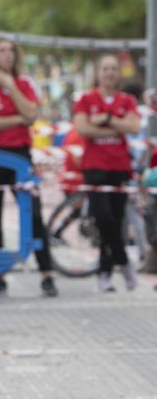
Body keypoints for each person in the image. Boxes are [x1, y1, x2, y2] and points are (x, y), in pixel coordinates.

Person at [0, 38, 58, 297]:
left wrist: (10, 86)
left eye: (11, 50)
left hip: (21, 155)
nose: (7, 55)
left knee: (33, 215)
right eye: (1, 50)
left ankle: (47, 273)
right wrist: (19, 118)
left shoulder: (24, 82)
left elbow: (32, 114)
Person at [72, 55, 141, 292]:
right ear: (98, 72)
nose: (110, 73)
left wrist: (107, 120)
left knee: (117, 218)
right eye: (105, 68)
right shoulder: (86, 99)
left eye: (114, 68)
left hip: (120, 166)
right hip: (94, 166)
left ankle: (105, 273)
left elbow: (133, 127)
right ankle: (122, 261)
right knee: (103, 218)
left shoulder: (127, 100)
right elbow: (83, 128)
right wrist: (115, 127)